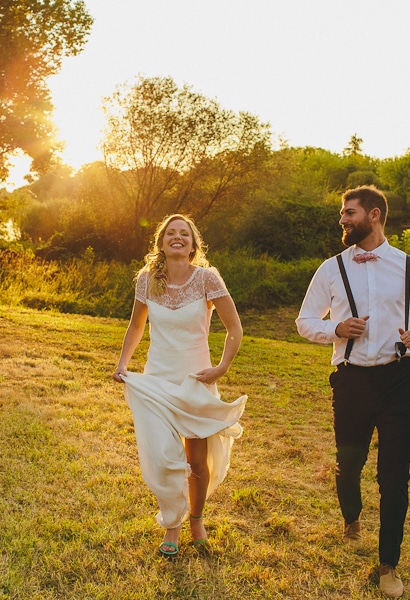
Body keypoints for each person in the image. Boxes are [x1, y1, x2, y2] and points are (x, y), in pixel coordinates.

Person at [296, 185, 410, 598]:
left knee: (393, 477)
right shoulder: (331, 269)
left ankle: (388, 564)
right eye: (342, 215)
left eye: (350, 213)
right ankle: (352, 518)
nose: (343, 220)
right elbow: (305, 320)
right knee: (350, 466)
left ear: (375, 215)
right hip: (350, 381)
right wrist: (336, 329)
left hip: (399, 381)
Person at [112, 214, 247, 558]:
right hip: (157, 380)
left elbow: (235, 329)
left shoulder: (207, 278)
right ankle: (172, 522)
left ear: (193, 243)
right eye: (170, 233)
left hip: (195, 381)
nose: (177, 237)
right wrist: (123, 363)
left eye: (183, 234)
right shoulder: (147, 280)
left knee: (196, 459)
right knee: (163, 456)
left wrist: (220, 368)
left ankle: (197, 520)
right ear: (160, 243)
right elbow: (136, 326)